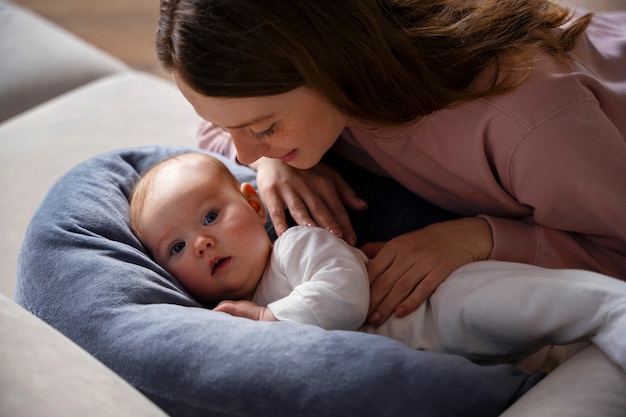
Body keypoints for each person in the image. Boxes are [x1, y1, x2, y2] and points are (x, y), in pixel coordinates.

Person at [156, 0, 626, 328]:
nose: (242, 154)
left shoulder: (531, 124)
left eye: (263, 128)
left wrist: (481, 238)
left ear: (336, 66)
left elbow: (617, 250)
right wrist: (277, 164)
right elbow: (224, 129)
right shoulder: (334, 86)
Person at [128, 152, 626, 373]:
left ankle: (613, 309)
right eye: (176, 248)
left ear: (255, 205)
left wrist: (270, 319)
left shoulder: (295, 247)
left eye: (211, 217)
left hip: (439, 304)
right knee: (545, 349)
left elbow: (346, 294)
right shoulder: (229, 316)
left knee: (561, 304)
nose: (201, 244)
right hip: (443, 357)